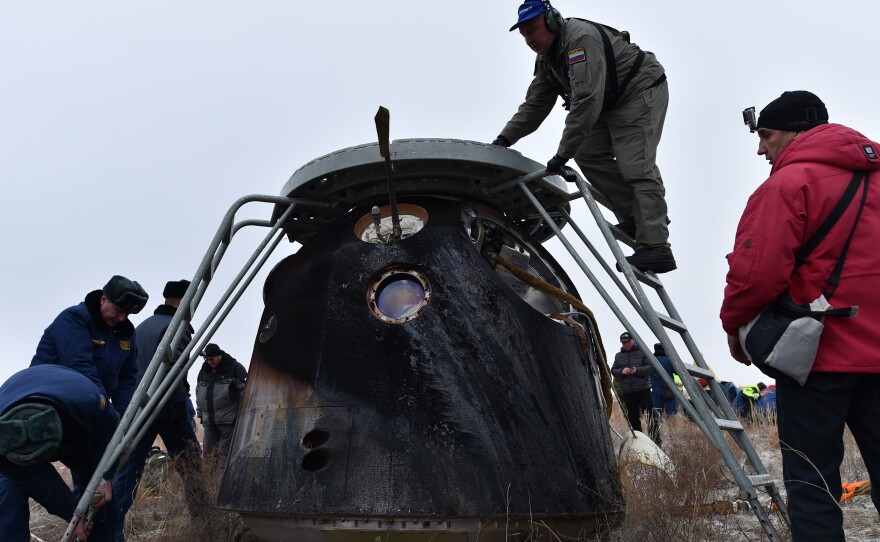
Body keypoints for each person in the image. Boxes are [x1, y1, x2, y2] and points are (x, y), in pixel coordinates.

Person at [721, 90, 880, 541]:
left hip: (816, 360)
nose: (760, 147)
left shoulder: (786, 187)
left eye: (766, 135)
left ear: (795, 133)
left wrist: (734, 324)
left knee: (813, 488)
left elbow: (757, 275)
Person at [493, 0, 675, 273]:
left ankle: (657, 247)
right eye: (524, 35)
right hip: (607, 102)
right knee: (587, 153)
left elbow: (586, 100)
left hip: (638, 90)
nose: (529, 40)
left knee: (634, 164)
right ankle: (635, 217)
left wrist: (561, 153)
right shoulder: (546, 61)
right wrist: (504, 140)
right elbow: (535, 106)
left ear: (552, 21)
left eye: (533, 30)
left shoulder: (580, 41)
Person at [112, 280, 208, 540]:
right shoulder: (176, 327)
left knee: (128, 471)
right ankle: (205, 522)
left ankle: (110, 526)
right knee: (190, 465)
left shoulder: (141, 327)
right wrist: (178, 403)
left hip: (138, 408)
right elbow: (173, 368)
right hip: (166, 407)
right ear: (185, 299)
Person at [0, 365, 119, 542]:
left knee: (97, 495)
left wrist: (106, 477)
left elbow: (108, 433)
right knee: (8, 491)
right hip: (13, 449)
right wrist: (71, 513)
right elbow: (39, 483)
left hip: (73, 424)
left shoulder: (87, 400)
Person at [31, 275, 148, 416]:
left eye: (127, 314)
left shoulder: (126, 334)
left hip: (90, 405)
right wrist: (105, 408)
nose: (122, 318)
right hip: (48, 403)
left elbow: (127, 376)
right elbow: (79, 366)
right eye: (119, 310)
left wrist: (125, 415)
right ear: (103, 299)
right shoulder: (73, 319)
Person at [195, 343, 247, 463]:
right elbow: (199, 393)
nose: (209, 362)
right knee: (208, 454)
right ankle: (210, 480)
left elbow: (245, 392)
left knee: (225, 454)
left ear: (219, 356)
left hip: (228, 420)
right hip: (209, 421)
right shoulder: (204, 371)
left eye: (211, 359)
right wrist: (200, 415)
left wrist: (240, 415)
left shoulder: (235, 368)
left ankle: (222, 480)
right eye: (207, 359)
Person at [610, 332, 660, 445]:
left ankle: (656, 440)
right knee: (633, 418)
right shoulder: (618, 356)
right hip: (628, 392)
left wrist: (637, 370)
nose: (626, 344)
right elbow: (613, 370)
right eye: (624, 342)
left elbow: (651, 368)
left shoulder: (642, 352)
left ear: (632, 341)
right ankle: (639, 442)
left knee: (650, 416)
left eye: (628, 342)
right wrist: (622, 371)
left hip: (643, 390)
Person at [649, 343, 677, 416]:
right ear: (664, 349)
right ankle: (672, 426)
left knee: (656, 412)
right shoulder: (669, 360)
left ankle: (658, 426)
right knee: (671, 413)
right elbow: (677, 372)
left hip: (655, 388)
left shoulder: (650, 360)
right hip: (669, 388)